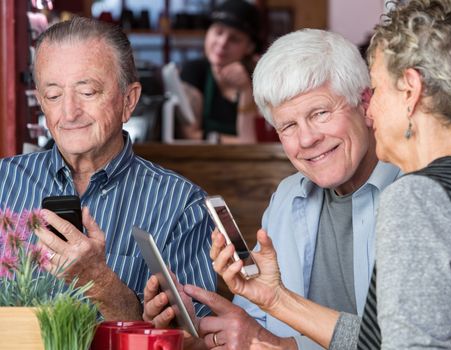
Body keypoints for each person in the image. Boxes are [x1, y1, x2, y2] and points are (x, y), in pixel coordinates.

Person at [214, 1, 451, 349]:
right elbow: (381, 341)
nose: (372, 109)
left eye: (376, 89)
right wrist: (276, 300)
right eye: (288, 125)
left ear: (410, 90)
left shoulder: (417, 197)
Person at [143, 29, 400, 349]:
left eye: (320, 113)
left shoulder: (415, 195)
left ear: (365, 104)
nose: (306, 140)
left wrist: (276, 336)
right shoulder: (288, 197)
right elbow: (259, 325)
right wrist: (199, 336)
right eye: (288, 126)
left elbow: (403, 342)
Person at [0, 16, 216, 320]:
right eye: (53, 95)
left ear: (129, 100)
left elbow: (196, 340)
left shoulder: (183, 206)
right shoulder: (4, 181)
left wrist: (100, 281)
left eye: (88, 92)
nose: (69, 112)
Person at [178, 0, 261, 143]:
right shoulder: (194, 71)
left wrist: (245, 90)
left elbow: (252, 139)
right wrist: (238, 142)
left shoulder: (260, 79)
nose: (222, 43)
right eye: (218, 32)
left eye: (234, 39)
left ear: (249, 47)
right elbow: (191, 135)